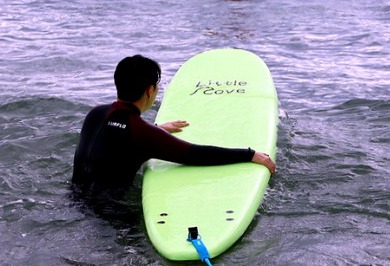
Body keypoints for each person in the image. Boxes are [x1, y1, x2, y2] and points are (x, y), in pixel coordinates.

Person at [72, 55, 275, 202]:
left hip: (74, 199)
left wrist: (157, 130)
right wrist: (249, 155)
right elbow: (195, 155)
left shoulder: (96, 114)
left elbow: (114, 138)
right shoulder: (141, 134)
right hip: (108, 212)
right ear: (150, 90)